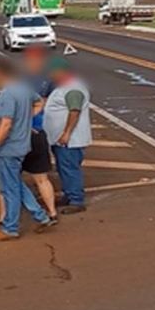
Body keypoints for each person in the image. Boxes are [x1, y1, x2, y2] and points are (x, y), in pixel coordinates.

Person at [0, 57, 57, 241]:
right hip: (22, 145)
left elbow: (5, 125)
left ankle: (10, 228)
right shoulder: (25, 89)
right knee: (14, 184)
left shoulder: (7, 95)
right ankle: (40, 216)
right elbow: (39, 103)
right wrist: (25, 120)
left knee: (9, 189)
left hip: (8, 148)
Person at [44, 57, 92, 214]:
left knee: (69, 168)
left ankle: (76, 200)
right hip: (60, 139)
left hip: (70, 140)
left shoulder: (73, 89)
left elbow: (74, 111)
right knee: (63, 168)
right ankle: (68, 194)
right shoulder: (62, 87)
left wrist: (66, 133)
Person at [20, 47, 58, 219]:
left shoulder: (20, 81)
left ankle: (6, 215)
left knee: (10, 178)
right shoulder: (45, 81)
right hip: (36, 132)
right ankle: (51, 212)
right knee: (40, 178)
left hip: (25, 134)